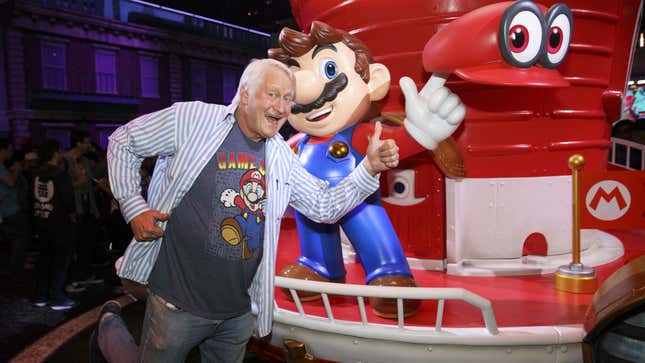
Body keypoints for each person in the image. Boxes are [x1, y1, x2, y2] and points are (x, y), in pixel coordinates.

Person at [92, 58, 401, 363]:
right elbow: (124, 142)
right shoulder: (193, 119)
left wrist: (369, 167)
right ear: (244, 94)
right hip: (176, 305)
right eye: (272, 94)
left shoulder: (280, 154)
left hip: (236, 315)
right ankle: (108, 329)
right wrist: (134, 207)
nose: (281, 107)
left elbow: (323, 205)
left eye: (288, 99)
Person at [268, 21, 465, 317]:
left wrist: (420, 132)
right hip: (310, 203)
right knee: (310, 222)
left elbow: (395, 144)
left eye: (329, 70)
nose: (306, 93)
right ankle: (319, 266)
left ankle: (388, 271)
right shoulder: (297, 143)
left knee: (368, 226)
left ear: (373, 80)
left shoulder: (359, 135)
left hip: (357, 200)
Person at [32, 139, 77, 310]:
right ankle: (57, 297)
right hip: (59, 224)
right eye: (58, 151)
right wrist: (72, 215)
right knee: (59, 261)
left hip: (40, 221)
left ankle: (40, 295)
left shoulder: (34, 173)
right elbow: (68, 201)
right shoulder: (60, 175)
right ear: (54, 153)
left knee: (43, 259)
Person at [64, 130, 103, 291]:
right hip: (73, 207)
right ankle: (72, 279)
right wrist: (77, 184)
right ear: (78, 143)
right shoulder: (65, 160)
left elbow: (89, 184)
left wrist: (94, 208)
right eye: (86, 142)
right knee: (73, 245)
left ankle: (84, 275)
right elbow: (63, 187)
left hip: (87, 206)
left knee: (86, 242)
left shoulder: (85, 160)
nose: (88, 145)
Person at [0, 140, 31, 277]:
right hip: (9, 208)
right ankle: (15, 269)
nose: (10, 153)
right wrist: (17, 169)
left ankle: (15, 266)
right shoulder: (0, 166)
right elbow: (11, 182)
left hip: (9, 208)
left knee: (14, 239)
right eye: (10, 150)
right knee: (19, 238)